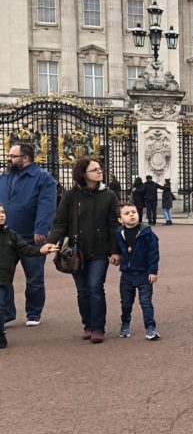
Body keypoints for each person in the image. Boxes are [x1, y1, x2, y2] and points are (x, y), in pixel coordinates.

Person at [44, 158, 120, 343]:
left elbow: (114, 226)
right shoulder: (70, 196)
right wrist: (50, 242)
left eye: (100, 168)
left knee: (95, 288)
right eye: (94, 169)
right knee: (82, 290)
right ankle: (87, 324)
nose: (99, 171)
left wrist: (115, 251)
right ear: (83, 174)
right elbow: (60, 222)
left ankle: (98, 328)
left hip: (100, 250)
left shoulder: (109, 195)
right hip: (74, 249)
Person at [0, 142, 56, 327]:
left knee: (34, 278)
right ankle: (6, 313)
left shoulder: (42, 177)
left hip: (31, 235)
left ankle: (33, 313)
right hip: (5, 235)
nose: (9, 158)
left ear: (25, 158)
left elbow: (47, 204)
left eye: (12, 155)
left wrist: (41, 228)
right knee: (3, 277)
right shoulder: (4, 176)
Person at [0, 202, 55, 348]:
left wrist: (41, 251)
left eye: (2, 212)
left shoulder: (11, 235)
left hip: (4, 277)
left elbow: (26, 249)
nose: (1, 215)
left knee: (1, 304)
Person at [115, 203, 161, 339]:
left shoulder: (147, 233)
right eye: (127, 213)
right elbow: (116, 248)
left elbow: (153, 253)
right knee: (126, 302)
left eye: (134, 212)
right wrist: (114, 254)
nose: (131, 215)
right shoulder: (119, 233)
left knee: (146, 302)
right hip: (126, 274)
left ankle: (150, 327)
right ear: (120, 219)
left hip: (144, 274)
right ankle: (125, 324)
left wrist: (153, 271)